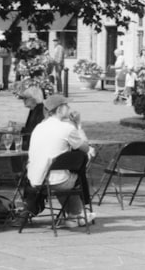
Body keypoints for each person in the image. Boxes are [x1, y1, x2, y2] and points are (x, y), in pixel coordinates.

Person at [14, 95, 95, 228]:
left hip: (35, 179)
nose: (69, 108)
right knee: (77, 172)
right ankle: (77, 214)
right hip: (57, 181)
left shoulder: (39, 127)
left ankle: (74, 216)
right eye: (66, 106)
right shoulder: (67, 128)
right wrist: (78, 125)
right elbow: (85, 148)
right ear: (59, 110)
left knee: (63, 172)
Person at [19, 85, 46, 150]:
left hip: (36, 145)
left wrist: (23, 130)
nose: (24, 101)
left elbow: (36, 129)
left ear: (34, 99)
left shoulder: (40, 111)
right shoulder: (34, 109)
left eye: (26, 98)